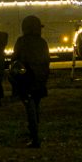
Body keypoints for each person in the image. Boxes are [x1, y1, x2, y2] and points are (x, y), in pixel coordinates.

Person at [11, 15, 50, 148]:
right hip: (40, 80)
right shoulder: (42, 42)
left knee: (30, 108)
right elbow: (46, 61)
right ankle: (35, 133)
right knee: (36, 106)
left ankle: (34, 138)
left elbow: (15, 58)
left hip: (27, 80)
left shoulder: (22, 41)